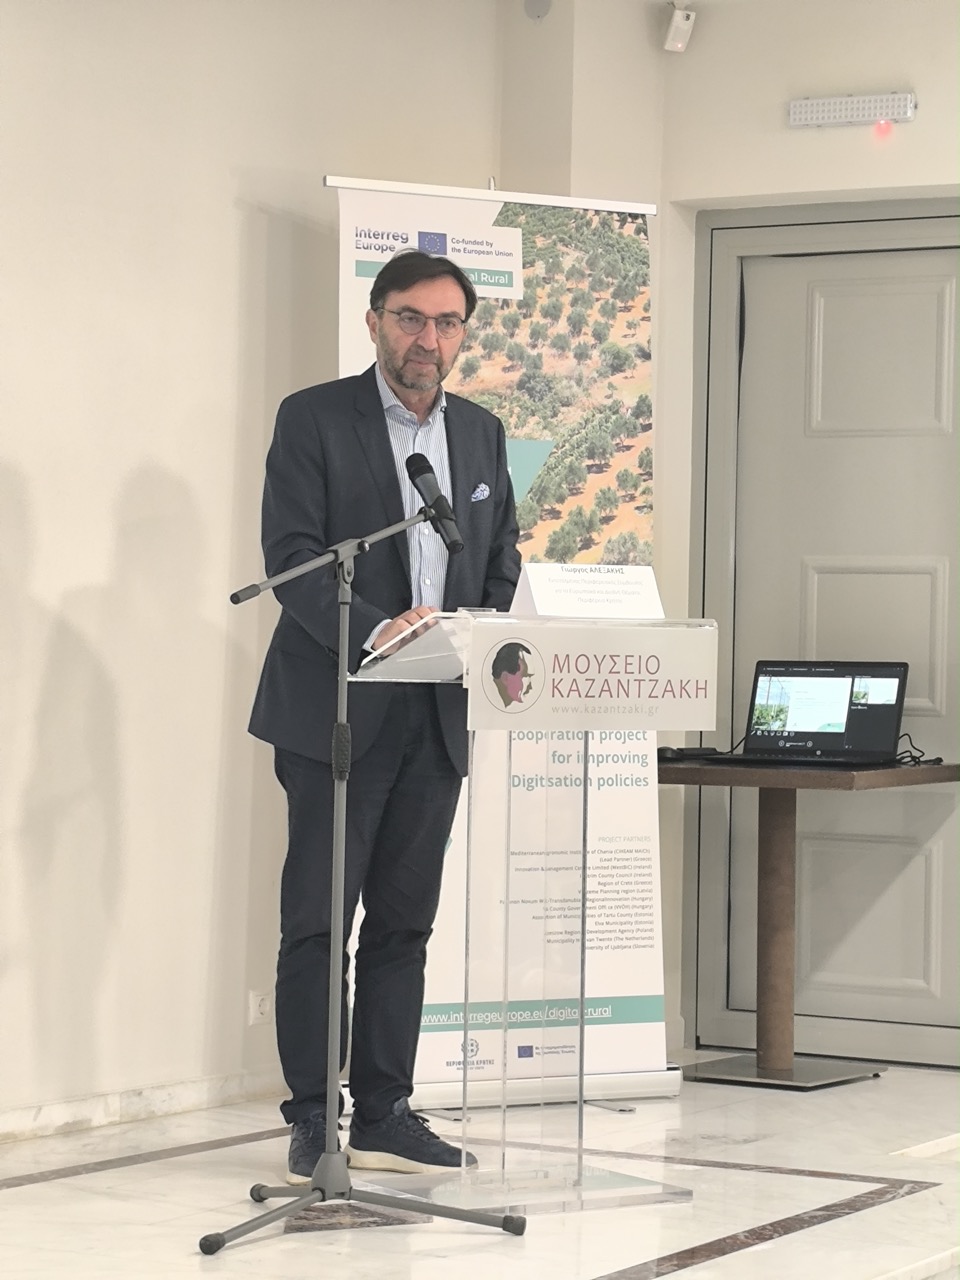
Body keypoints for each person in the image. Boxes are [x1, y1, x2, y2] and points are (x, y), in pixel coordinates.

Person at [248, 250, 521, 1184]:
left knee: (404, 923)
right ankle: (314, 1118)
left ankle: (385, 1112)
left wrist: (475, 637)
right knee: (319, 923)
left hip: (437, 710)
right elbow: (292, 559)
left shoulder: (480, 433)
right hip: (338, 705)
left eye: (446, 323)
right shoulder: (315, 418)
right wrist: (377, 631)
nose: (428, 339)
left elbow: (499, 556)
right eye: (410, 318)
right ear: (374, 322)